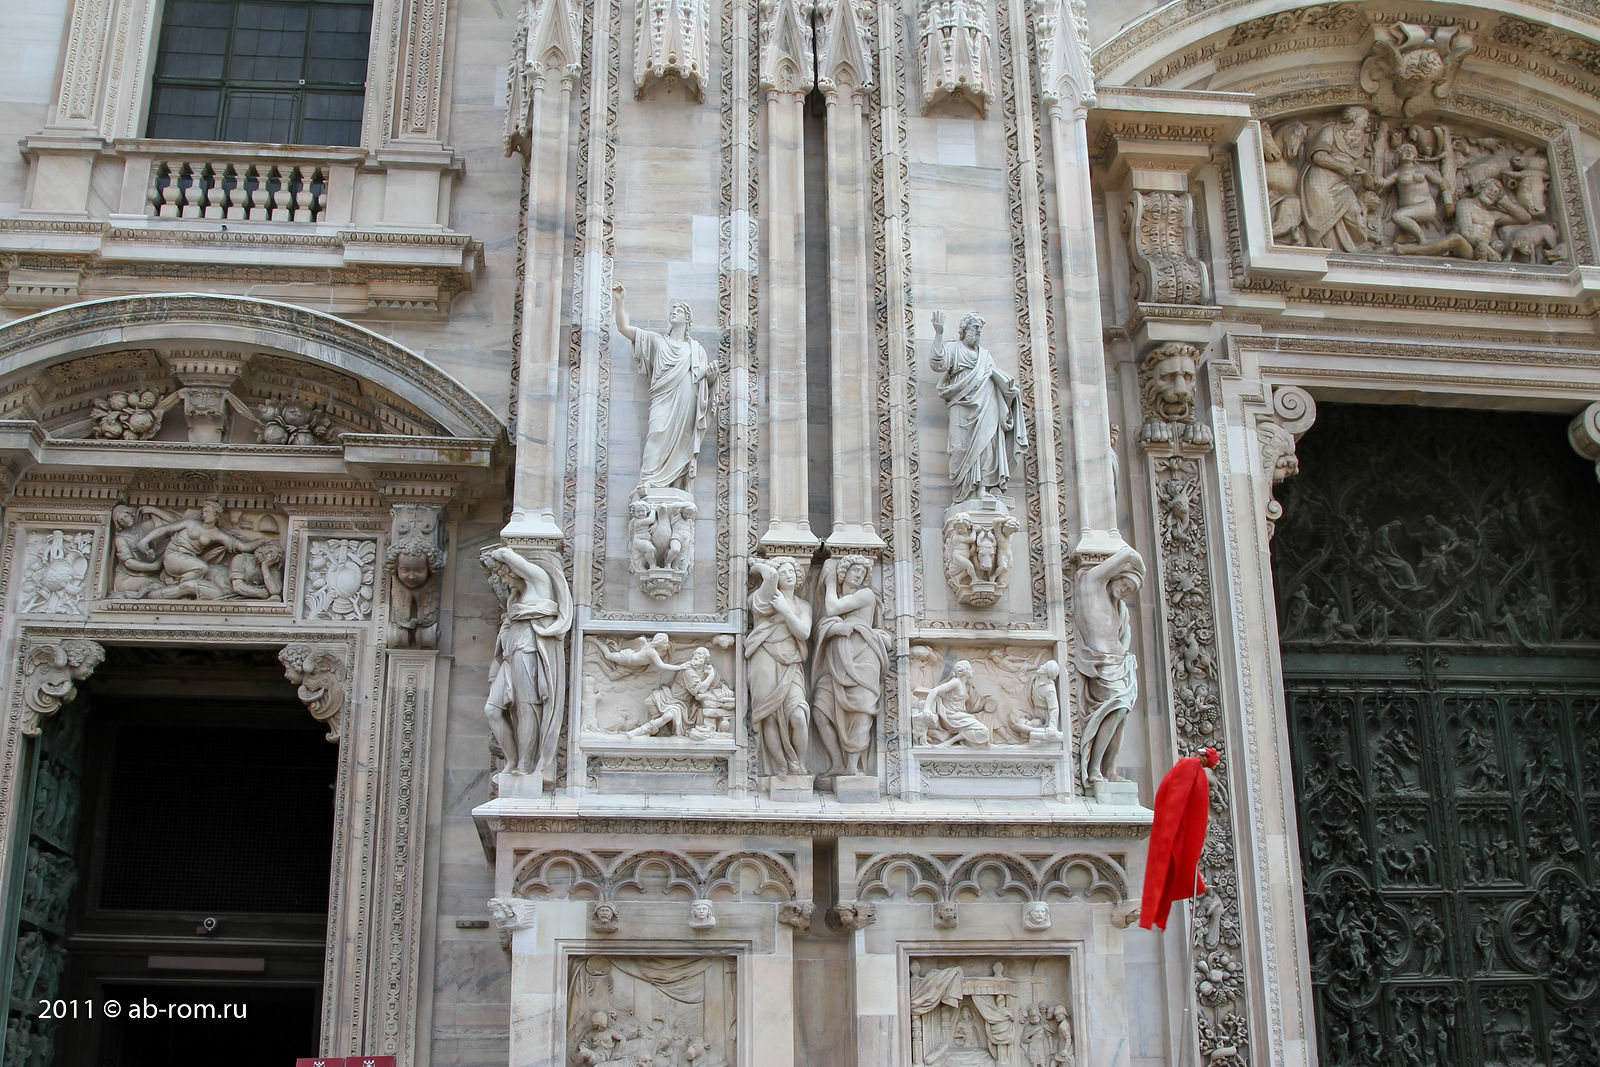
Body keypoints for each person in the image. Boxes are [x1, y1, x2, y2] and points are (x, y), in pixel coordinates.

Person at [482, 546, 573, 781]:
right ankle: (512, 760)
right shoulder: (517, 596)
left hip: (528, 651)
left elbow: (507, 554)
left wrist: (501, 555)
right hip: (511, 654)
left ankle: (525, 764)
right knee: (492, 710)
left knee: (526, 708)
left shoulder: (539, 581)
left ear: (514, 569)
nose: (503, 580)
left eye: (503, 574)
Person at [613, 284, 716, 492]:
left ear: (687, 319)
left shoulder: (695, 350)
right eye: (673, 309)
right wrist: (619, 302)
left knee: (682, 441)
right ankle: (648, 481)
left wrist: (711, 378)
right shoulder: (657, 341)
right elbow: (624, 329)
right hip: (662, 396)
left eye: (679, 310)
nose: (674, 311)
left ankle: (676, 484)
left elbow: (702, 382)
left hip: (686, 399)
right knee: (656, 432)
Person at [929, 311, 1027, 504]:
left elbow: (996, 377)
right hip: (960, 401)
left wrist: (1008, 389)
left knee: (986, 446)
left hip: (986, 401)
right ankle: (963, 491)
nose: (978, 331)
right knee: (959, 447)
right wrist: (938, 334)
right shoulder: (954, 348)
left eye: (980, 328)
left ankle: (982, 488)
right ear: (965, 329)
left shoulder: (985, 356)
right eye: (975, 327)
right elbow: (937, 363)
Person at [812, 555, 890, 778]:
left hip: (864, 659)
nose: (859, 575)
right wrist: (834, 629)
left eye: (863, 572)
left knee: (861, 710)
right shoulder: (840, 599)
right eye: (855, 570)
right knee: (820, 711)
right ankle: (837, 762)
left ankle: (852, 766)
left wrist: (829, 583)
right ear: (843, 571)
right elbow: (823, 624)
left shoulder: (865, 595)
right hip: (835, 663)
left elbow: (833, 607)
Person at [1075, 546, 1145, 785]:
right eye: (1126, 584)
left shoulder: (1120, 608)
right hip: (1100, 666)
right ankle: (1094, 768)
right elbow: (1127, 554)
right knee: (1116, 710)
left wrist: (1124, 654)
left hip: (1120, 665)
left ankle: (1109, 769)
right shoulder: (1092, 584)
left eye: (1130, 591)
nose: (1125, 591)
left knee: (1121, 716)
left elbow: (1125, 635)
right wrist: (1141, 568)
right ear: (1116, 575)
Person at [745, 557, 812, 775]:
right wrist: (758, 566)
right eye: (784, 572)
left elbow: (803, 632)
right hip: (764, 658)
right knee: (769, 716)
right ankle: (781, 766)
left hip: (791, 661)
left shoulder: (803, 605)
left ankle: (799, 763)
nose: (788, 575)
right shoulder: (763, 598)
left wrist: (785, 610)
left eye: (791, 571)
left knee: (798, 714)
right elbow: (771, 576)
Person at [1301, 106, 1375, 251]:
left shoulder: (1361, 141)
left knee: (1354, 211)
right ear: (1355, 118)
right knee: (1326, 215)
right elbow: (1318, 155)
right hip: (1321, 181)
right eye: (1365, 120)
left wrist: (1363, 174)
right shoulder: (1331, 130)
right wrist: (1342, 166)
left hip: (1341, 184)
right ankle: (1329, 248)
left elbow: (1369, 182)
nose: (1366, 124)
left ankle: (1356, 248)